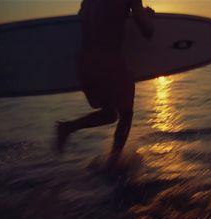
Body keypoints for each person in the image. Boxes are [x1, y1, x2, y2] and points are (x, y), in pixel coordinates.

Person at [55, 0, 154, 162]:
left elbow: (84, 19)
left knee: (109, 114)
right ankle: (113, 162)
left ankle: (67, 128)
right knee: (126, 113)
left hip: (85, 63)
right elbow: (147, 31)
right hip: (109, 61)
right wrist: (146, 16)